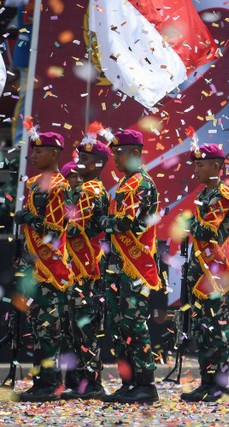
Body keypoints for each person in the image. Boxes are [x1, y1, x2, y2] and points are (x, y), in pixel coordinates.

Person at [101, 129, 162, 404]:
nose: (115, 157)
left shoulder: (141, 184)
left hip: (135, 264)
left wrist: (101, 220)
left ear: (135, 153)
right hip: (119, 264)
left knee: (134, 325)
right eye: (114, 151)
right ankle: (129, 382)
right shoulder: (126, 182)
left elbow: (127, 223)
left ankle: (145, 384)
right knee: (117, 325)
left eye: (120, 151)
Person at [14, 119, 72, 402]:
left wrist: (32, 219)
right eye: (33, 151)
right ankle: (40, 381)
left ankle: (50, 384)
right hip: (35, 266)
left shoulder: (60, 186)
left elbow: (58, 229)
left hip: (52, 267)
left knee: (50, 328)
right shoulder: (36, 183)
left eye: (39, 151)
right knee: (37, 327)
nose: (33, 155)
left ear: (53, 153)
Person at [180, 140, 229, 403]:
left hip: (217, 270)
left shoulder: (222, 196)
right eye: (195, 165)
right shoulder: (205, 194)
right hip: (201, 269)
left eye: (201, 165)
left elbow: (209, 230)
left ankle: (220, 384)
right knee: (203, 328)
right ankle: (207, 382)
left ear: (217, 166)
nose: (196, 170)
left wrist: (190, 223)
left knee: (217, 328)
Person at [61, 124, 112, 400]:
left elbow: (71, 226)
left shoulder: (92, 191)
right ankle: (75, 380)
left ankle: (91, 382)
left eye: (85, 159)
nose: (79, 162)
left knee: (85, 326)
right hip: (75, 267)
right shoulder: (82, 189)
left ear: (99, 164)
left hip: (88, 267)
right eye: (79, 157)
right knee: (73, 326)